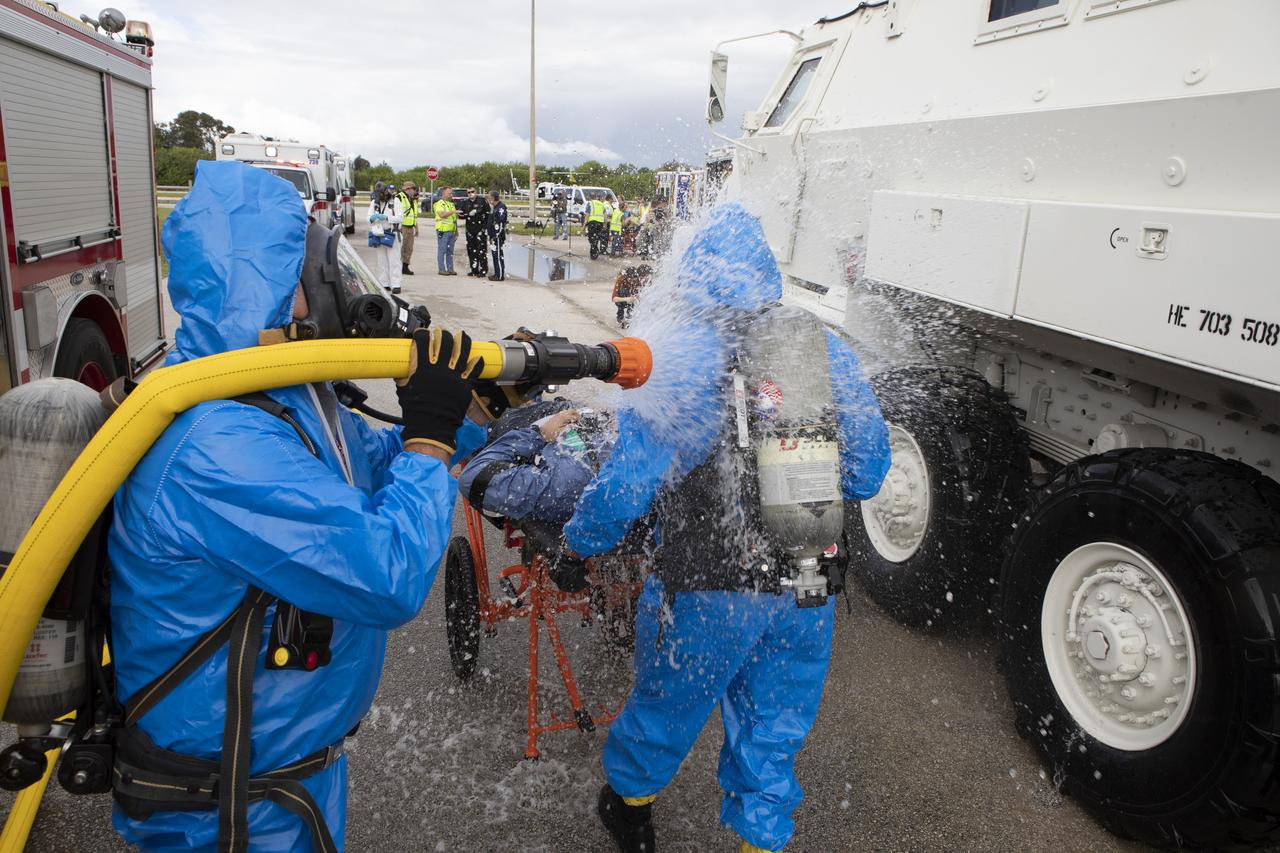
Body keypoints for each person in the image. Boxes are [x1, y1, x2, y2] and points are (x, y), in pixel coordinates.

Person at [106, 160, 487, 852]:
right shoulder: (217, 444)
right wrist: (431, 443)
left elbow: (372, 463)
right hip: (225, 811)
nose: (338, 282)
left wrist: (468, 413)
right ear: (279, 289)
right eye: (321, 266)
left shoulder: (285, 397)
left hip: (281, 781)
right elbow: (387, 575)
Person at [564, 203, 891, 853]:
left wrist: (578, 543)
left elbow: (628, 485)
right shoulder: (822, 346)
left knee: (669, 705)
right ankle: (759, 840)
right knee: (776, 724)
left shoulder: (674, 358)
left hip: (710, 581)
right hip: (808, 574)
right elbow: (869, 470)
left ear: (693, 274)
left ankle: (629, 807)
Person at [367, 182, 402, 293]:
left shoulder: (395, 201)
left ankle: (396, 284)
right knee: (381, 260)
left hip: (392, 233)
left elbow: (400, 218)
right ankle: (384, 283)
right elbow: (368, 216)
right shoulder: (374, 202)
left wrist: (386, 217)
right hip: (379, 234)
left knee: (394, 260)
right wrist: (372, 218)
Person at [462, 187, 490, 278]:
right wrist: (467, 214)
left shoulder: (482, 201)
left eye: (472, 191)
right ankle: (474, 270)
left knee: (481, 251)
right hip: (470, 230)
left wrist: (484, 228)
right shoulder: (465, 203)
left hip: (480, 229)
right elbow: (461, 215)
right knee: (471, 251)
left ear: (476, 192)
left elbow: (488, 215)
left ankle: (483, 270)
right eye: (468, 192)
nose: (470, 193)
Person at [396, 181, 420, 276]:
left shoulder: (412, 199)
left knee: (409, 248)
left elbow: (414, 215)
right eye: (414, 189)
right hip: (402, 227)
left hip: (410, 227)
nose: (415, 191)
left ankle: (405, 266)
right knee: (400, 247)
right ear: (408, 189)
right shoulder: (399, 197)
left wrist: (416, 227)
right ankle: (399, 266)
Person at [434, 188, 459, 275]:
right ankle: (441, 269)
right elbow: (442, 215)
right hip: (443, 231)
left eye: (452, 193)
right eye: (449, 193)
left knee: (450, 251)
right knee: (442, 250)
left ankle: (450, 268)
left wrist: (456, 231)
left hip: (451, 231)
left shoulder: (451, 204)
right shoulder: (439, 204)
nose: (451, 195)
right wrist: (453, 212)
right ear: (443, 194)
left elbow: (454, 219)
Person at [487, 190, 508, 282]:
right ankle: (496, 273)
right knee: (494, 255)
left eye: (489, 197)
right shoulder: (494, 207)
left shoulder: (501, 207)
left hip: (498, 236)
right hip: (493, 235)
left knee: (498, 255)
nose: (488, 199)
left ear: (493, 198)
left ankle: (500, 275)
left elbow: (501, 221)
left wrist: (496, 235)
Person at [584, 191, 608, 260]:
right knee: (596, 238)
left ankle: (594, 252)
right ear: (596, 197)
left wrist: (584, 225)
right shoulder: (601, 204)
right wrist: (605, 224)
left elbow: (587, 215)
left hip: (592, 223)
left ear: (590, 197)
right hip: (600, 223)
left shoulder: (590, 203)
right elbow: (605, 215)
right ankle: (594, 253)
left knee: (591, 238)